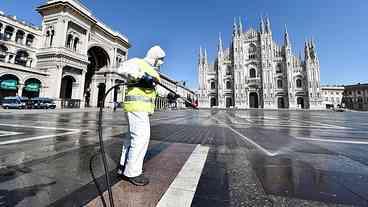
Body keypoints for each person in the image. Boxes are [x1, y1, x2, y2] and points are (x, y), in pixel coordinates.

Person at [117, 45, 165, 186]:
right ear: (154, 56)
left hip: (141, 108)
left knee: (131, 138)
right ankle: (133, 172)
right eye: (160, 59)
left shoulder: (154, 72)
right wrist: (141, 76)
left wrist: (169, 94)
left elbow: (157, 89)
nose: (161, 62)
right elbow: (121, 69)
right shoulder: (138, 62)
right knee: (141, 138)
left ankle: (123, 166)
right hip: (136, 106)